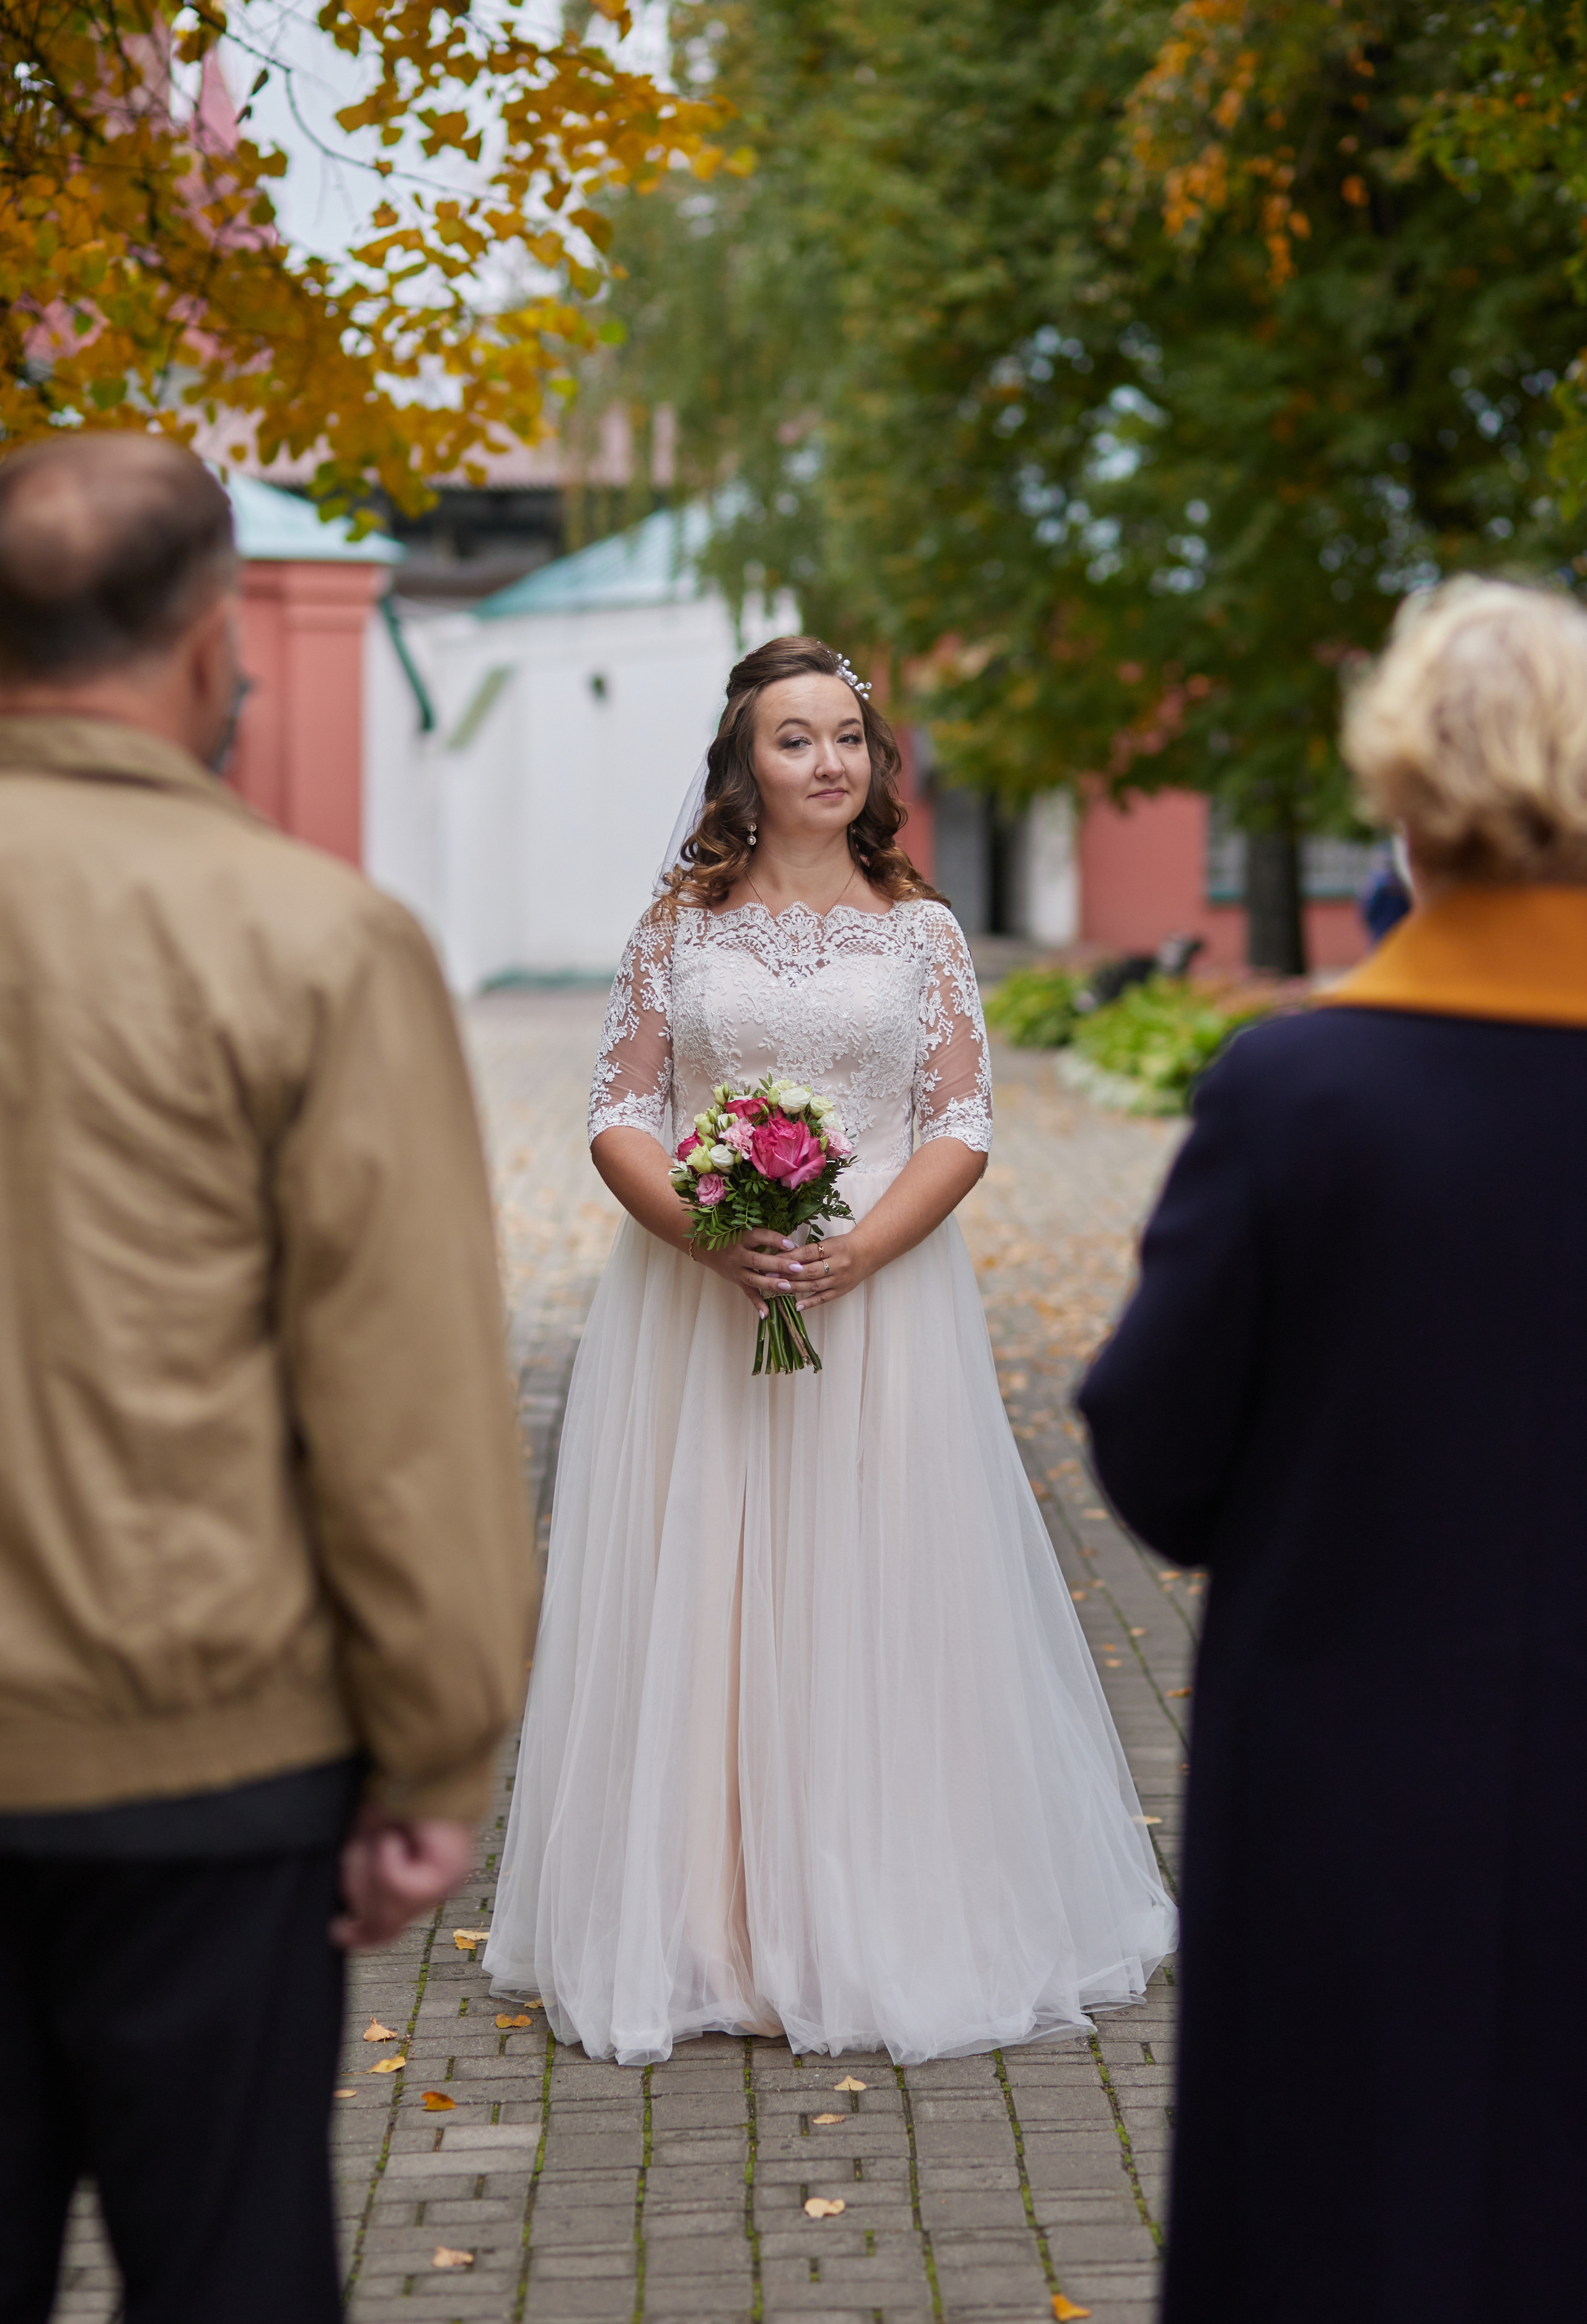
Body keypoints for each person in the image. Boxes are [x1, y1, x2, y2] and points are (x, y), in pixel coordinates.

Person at [0, 433, 533, 2323]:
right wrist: (435, 1744)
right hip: (206, 1755)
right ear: (217, 640)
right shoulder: (315, 939)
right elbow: (398, 1397)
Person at [484, 635, 1175, 2064]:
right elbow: (618, 1110)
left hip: (882, 1300)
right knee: (709, 1589)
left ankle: (877, 1906)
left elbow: (960, 1120)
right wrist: (702, 1230)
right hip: (701, 1295)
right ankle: (704, 1921)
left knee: (872, 1588)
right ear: (744, 762)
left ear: (874, 765)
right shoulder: (677, 928)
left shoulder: (919, 933)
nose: (826, 761)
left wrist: (861, 1248)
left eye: (847, 737)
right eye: (793, 739)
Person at [1077, 578, 1587, 2324]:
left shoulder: (1299, 1094)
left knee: (1332, 2213)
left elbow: (1155, 1452)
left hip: (1344, 1779)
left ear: (1403, 795)